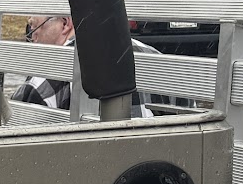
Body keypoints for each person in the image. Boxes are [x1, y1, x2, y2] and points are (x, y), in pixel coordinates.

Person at [11, 14, 164, 114]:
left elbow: (13, 135)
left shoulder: (46, 76)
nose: (32, 38)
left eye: (34, 27)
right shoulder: (153, 57)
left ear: (64, 24)